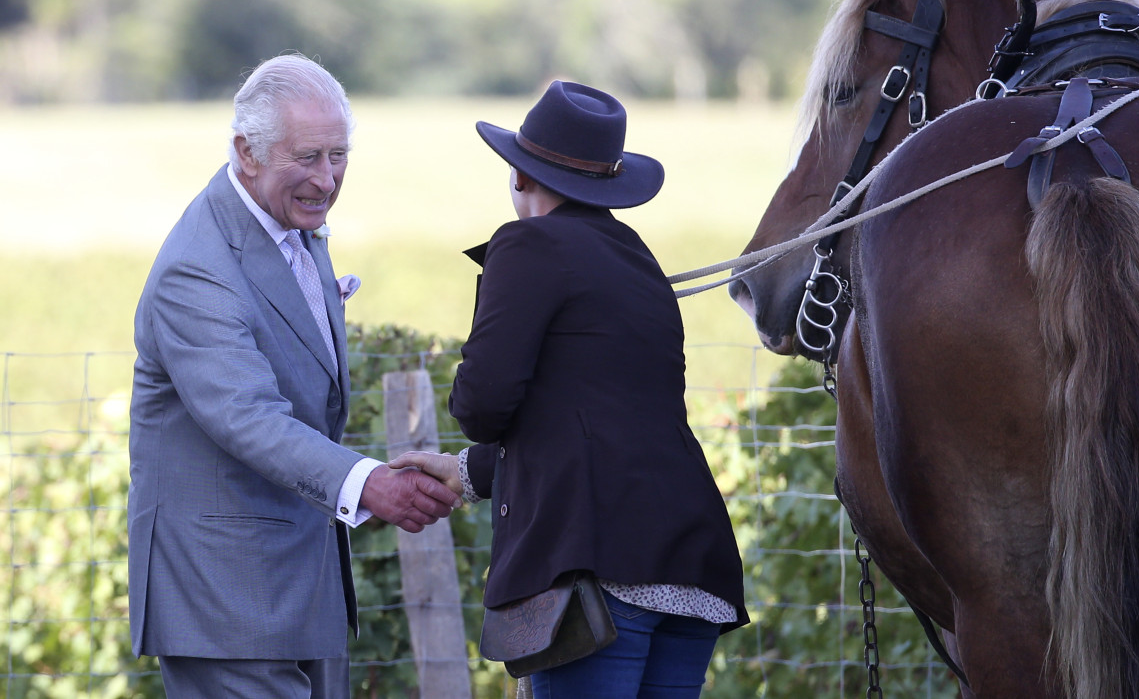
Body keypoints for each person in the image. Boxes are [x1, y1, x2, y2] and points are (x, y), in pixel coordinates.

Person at [396, 80, 749, 697]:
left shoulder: (526, 245)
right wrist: (468, 473)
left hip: (597, 570)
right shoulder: (639, 260)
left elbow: (482, 405)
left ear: (520, 176)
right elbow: (604, 419)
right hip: (692, 565)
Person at [127, 52, 462, 699]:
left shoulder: (291, 220)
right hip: (224, 601)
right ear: (245, 152)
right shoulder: (195, 271)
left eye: (339, 157)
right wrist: (367, 483)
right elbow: (246, 417)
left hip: (300, 590)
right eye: (307, 158)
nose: (328, 179)